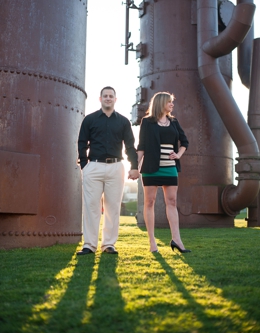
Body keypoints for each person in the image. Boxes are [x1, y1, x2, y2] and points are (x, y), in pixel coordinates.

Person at [76, 86, 140, 255]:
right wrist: (85, 165)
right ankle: (89, 245)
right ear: (100, 99)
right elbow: (82, 143)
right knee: (91, 207)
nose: (108, 98)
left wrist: (134, 166)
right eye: (105, 96)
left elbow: (130, 146)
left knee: (113, 208)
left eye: (111, 96)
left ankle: (108, 245)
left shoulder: (124, 122)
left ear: (115, 99)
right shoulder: (89, 120)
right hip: (93, 166)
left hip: (116, 167)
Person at [137, 92, 190, 253]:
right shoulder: (147, 122)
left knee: (172, 202)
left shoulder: (174, 122)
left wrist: (178, 155)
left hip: (170, 167)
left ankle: (177, 240)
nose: (172, 104)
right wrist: (136, 167)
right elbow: (142, 146)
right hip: (151, 167)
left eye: (172, 102)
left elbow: (184, 141)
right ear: (161, 103)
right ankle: (152, 242)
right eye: (169, 102)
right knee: (150, 202)